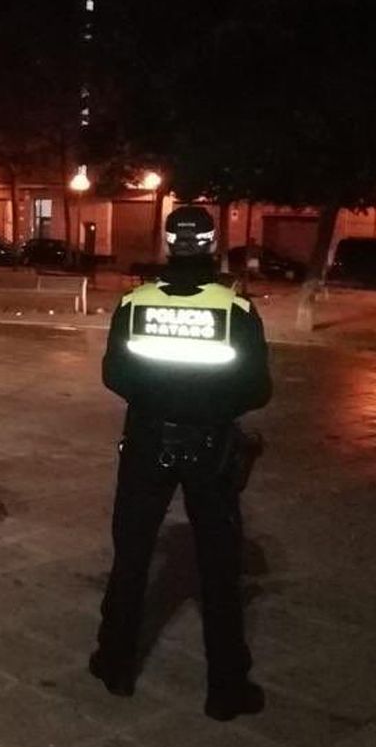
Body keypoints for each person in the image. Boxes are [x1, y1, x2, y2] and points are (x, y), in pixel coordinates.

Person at [91, 204, 272, 720]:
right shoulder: (236, 308)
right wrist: (209, 407)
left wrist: (157, 400)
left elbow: (114, 374)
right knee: (218, 567)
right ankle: (226, 687)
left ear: (169, 244)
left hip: (147, 440)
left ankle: (114, 663)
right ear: (213, 244)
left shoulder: (134, 302)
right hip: (211, 445)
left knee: (131, 555)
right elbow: (258, 388)